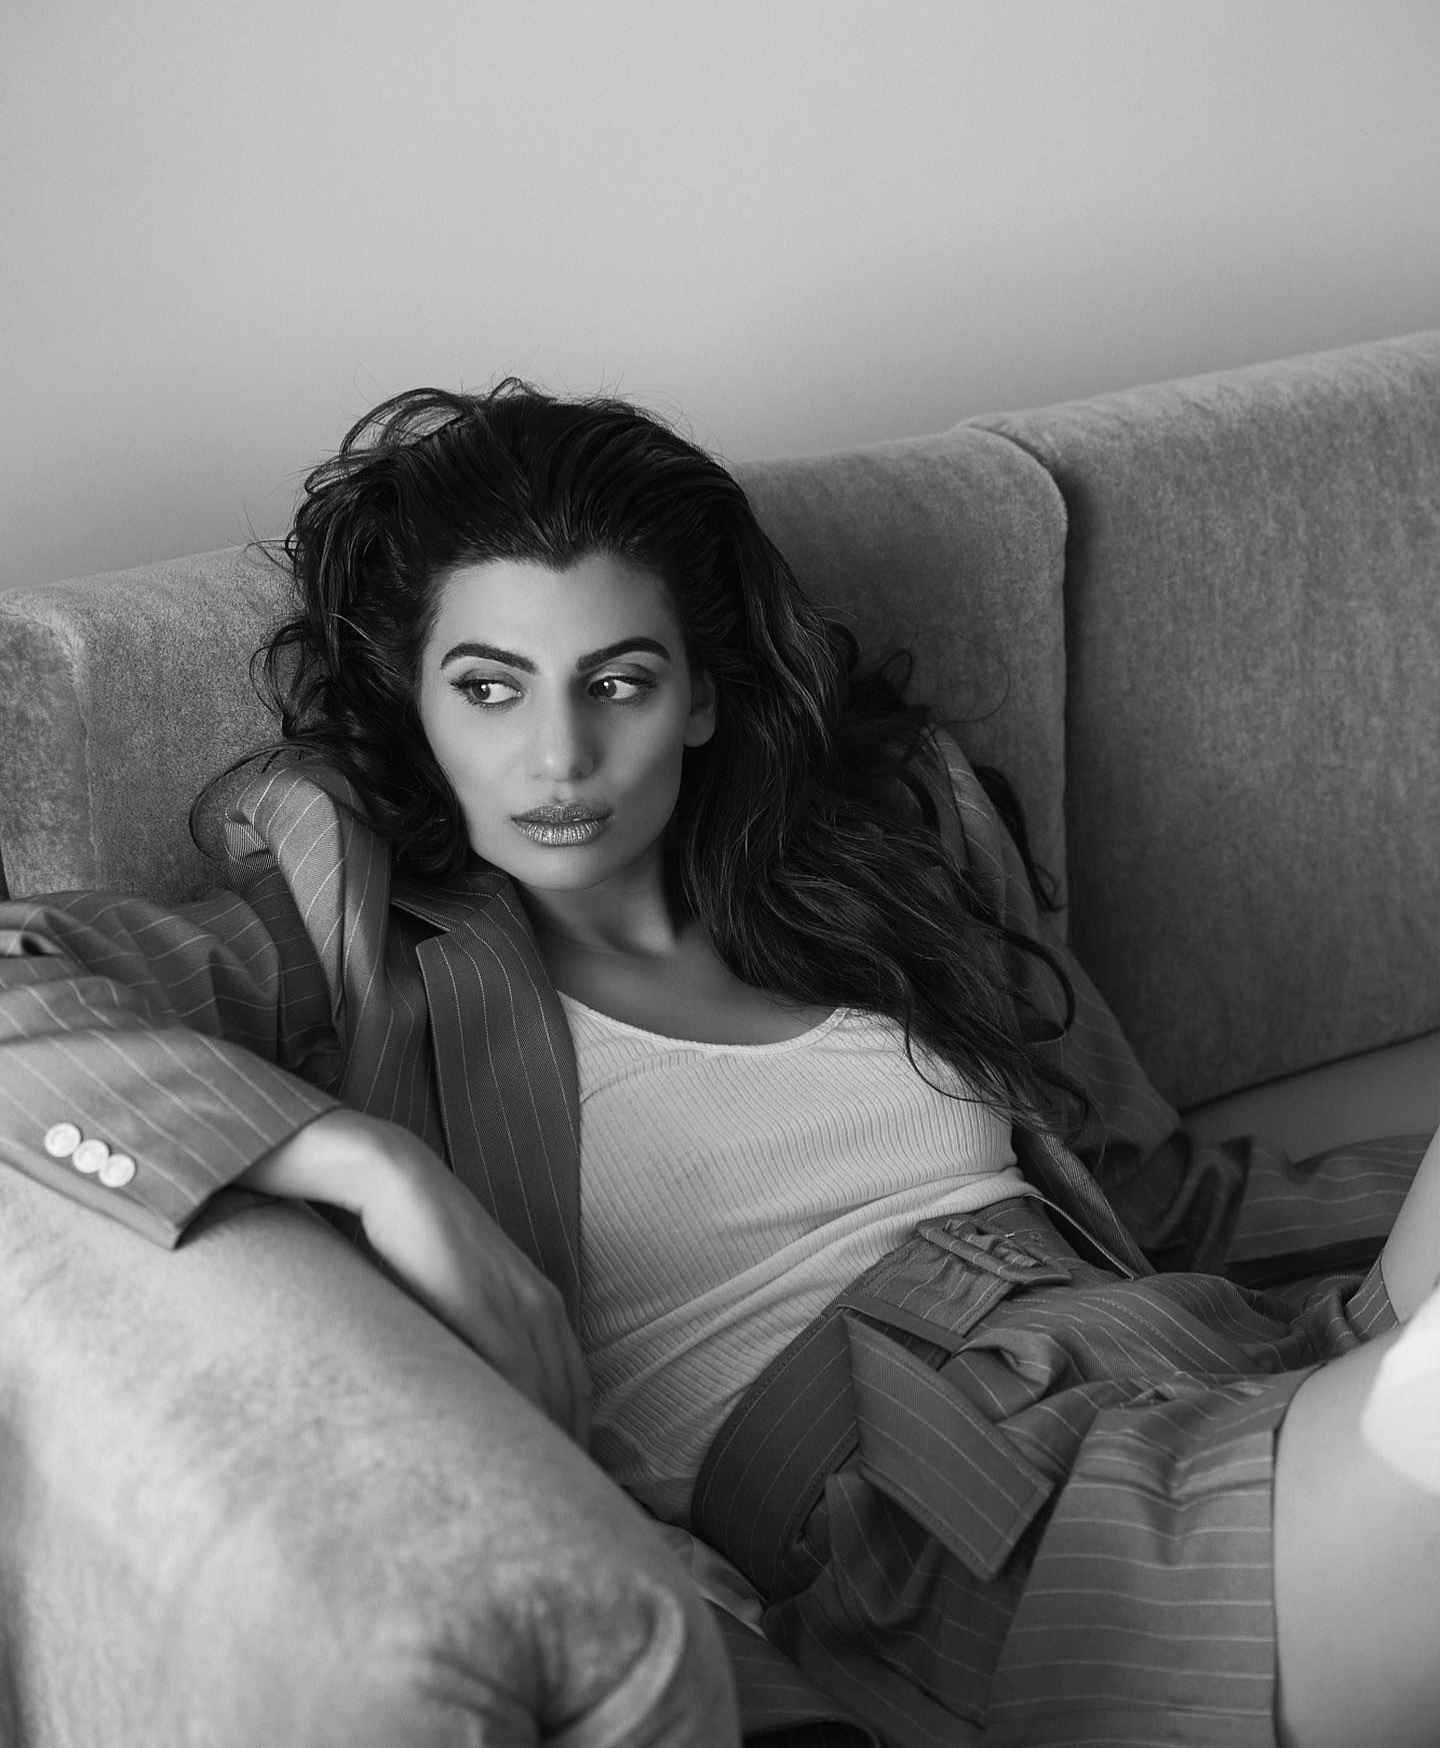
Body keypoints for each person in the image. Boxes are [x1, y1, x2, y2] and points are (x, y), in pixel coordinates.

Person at [1, 382, 1436, 1748]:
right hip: (964, 1520)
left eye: (617, 682)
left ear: (697, 695)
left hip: (1190, 1364)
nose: (560, 757)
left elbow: (1149, 1186)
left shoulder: (881, 859)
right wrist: (365, 1164)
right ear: (416, 706)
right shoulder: (356, 946)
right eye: (489, 688)